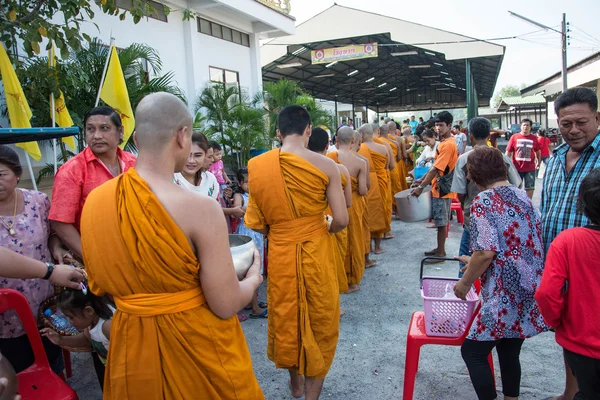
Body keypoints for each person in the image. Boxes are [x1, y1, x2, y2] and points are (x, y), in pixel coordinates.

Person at [80, 92, 264, 399]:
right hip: (196, 346)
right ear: (183, 136)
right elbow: (225, 304)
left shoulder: (96, 201)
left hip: (131, 342)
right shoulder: (201, 209)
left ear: (136, 138)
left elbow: (100, 280)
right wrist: (255, 276)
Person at [245, 105, 347, 400]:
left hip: (281, 251)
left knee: (288, 316)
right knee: (320, 320)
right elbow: (341, 220)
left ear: (277, 133)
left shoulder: (258, 166)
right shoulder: (326, 165)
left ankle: (295, 384)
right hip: (316, 249)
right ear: (308, 130)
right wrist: (323, 224)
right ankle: (311, 395)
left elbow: (257, 222)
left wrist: (284, 232)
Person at [454, 146, 547, 400]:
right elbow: (511, 244)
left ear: (473, 174)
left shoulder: (484, 201)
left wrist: (464, 283)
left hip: (503, 294)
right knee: (509, 350)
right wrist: (472, 261)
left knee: (472, 352)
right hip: (528, 287)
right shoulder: (523, 196)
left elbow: (485, 253)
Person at [540, 87, 600, 400]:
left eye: (581, 122)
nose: (573, 130)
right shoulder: (555, 158)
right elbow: (547, 209)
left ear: (597, 118)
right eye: (566, 124)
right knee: (567, 334)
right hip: (560, 263)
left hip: (591, 266)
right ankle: (570, 392)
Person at [0, 145, 75, 375]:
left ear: (18, 174)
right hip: (5, 314)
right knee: (17, 372)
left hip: (44, 303)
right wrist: (50, 270)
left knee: (51, 361)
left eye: (1, 175)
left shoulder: (38, 201)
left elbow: (51, 233)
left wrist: (57, 249)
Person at [49, 106, 137, 260]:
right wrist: (93, 259)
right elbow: (61, 222)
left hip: (136, 253)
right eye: (90, 129)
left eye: (104, 128)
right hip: (97, 256)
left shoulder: (135, 164)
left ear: (121, 131)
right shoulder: (72, 171)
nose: (96, 135)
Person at [451, 117, 521, 276]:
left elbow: (460, 193)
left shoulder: (464, 159)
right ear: (489, 136)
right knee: (498, 263)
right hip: (502, 219)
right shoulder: (501, 157)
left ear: (470, 136)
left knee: (466, 263)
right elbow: (517, 184)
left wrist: (465, 206)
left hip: (473, 220)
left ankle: (465, 294)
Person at [309, 127, 351, 308]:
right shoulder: (339, 168)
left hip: (310, 225)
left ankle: (313, 304)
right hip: (333, 223)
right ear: (328, 145)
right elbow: (348, 202)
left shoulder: (301, 168)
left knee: (315, 268)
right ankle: (335, 305)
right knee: (333, 264)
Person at [41, 286, 114, 388]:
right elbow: (86, 339)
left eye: (71, 317)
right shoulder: (91, 321)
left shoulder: (107, 326)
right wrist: (61, 340)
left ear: (88, 311)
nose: (70, 321)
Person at [412, 111, 458, 262]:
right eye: (437, 125)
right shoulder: (443, 143)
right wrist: (422, 180)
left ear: (449, 125)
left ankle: (441, 253)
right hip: (439, 186)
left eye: (441, 125)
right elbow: (434, 166)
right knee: (439, 221)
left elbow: (436, 169)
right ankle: (439, 248)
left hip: (443, 188)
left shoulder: (448, 145)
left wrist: (420, 187)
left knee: (441, 221)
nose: (438, 128)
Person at [328, 127, 368, 293]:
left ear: (336, 140)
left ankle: (338, 278)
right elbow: (363, 190)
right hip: (354, 204)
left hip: (333, 203)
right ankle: (351, 281)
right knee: (353, 240)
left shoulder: (329, 158)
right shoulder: (360, 162)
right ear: (353, 141)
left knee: (337, 242)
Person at [232, 168, 268, 319]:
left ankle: (251, 301)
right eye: (246, 182)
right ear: (240, 183)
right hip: (247, 235)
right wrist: (253, 208)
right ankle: (254, 308)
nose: (249, 185)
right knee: (250, 269)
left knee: (257, 267)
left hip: (257, 235)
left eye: (251, 181)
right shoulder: (239, 195)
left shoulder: (255, 195)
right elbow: (237, 209)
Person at [359, 123, 390, 254]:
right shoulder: (383, 148)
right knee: (381, 209)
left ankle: (368, 247)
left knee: (367, 211)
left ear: (361, 135)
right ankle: (377, 246)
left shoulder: (359, 149)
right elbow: (388, 166)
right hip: (381, 181)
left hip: (367, 181)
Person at [352, 130, 377, 269]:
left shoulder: (332, 157)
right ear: (357, 142)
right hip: (356, 200)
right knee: (361, 230)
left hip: (339, 201)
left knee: (347, 235)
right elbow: (364, 188)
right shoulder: (362, 161)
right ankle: (364, 260)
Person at [0, 248, 84, 287]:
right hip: (9, 302)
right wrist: (50, 271)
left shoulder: (39, 212)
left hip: (45, 289)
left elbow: (49, 232)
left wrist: (55, 246)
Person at [505, 118, 541, 199]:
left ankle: (528, 203)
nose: (526, 127)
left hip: (530, 168)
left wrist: (538, 162)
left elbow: (538, 151)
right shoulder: (514, 137)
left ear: (530, 127)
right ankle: (516, 203)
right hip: (516, 168)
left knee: (530, 187)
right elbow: (508, 152)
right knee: (516, 187)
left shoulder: (534, 138)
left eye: (528, 125)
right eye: (524, 125)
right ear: (521, 126)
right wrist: (506, 165)